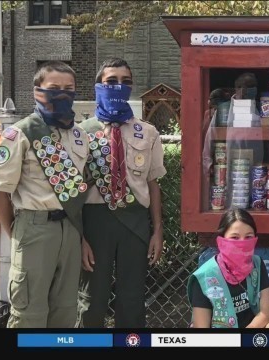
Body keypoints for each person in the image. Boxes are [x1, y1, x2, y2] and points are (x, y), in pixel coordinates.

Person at [0, 61, 90, 327]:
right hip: (33, 227)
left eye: (69, 88)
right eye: (54, 88)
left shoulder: (79, 135)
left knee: (65, 311)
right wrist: (15, 228)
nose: (62, 93)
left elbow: (78, 189)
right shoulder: (19, 133)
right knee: (28, 314)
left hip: (70, 228)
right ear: (38, 91)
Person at [77, 58, 167, 328]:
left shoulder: (147, 132)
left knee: (132, 298)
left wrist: (158, 231)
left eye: (126, 82)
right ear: (98, 86)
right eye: (111, 82)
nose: (119, 87)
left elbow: (153, 183)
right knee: (91, 298)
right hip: (94, 223)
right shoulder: (81, 133)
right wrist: (80, 237)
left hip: (135, 221)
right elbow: (72, 193)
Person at [187, 208, 269, 328]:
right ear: (221, 240)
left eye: (248, 237)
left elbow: (267, 313)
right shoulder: (204, 277)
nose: (242, 244)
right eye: (235, 238)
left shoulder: (256, 264)